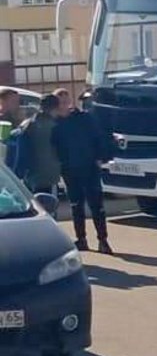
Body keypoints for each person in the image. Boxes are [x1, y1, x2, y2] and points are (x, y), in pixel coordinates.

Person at [51, 91, 113, 254]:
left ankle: (103, 240)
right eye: (60, 102)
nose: (64, 105)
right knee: (76, 205)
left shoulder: (84, 118)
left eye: (66, 102)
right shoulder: (55, 123)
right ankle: (81, 239)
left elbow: (98, 137)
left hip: (89, 166)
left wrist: (101, 157)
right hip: (69, 169)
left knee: (96, 205)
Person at [17, 94, 62, 195]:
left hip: (29, 175)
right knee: (48, 204)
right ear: (56, 108)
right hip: (48, 175)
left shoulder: (26, 124)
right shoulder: (54, 126)